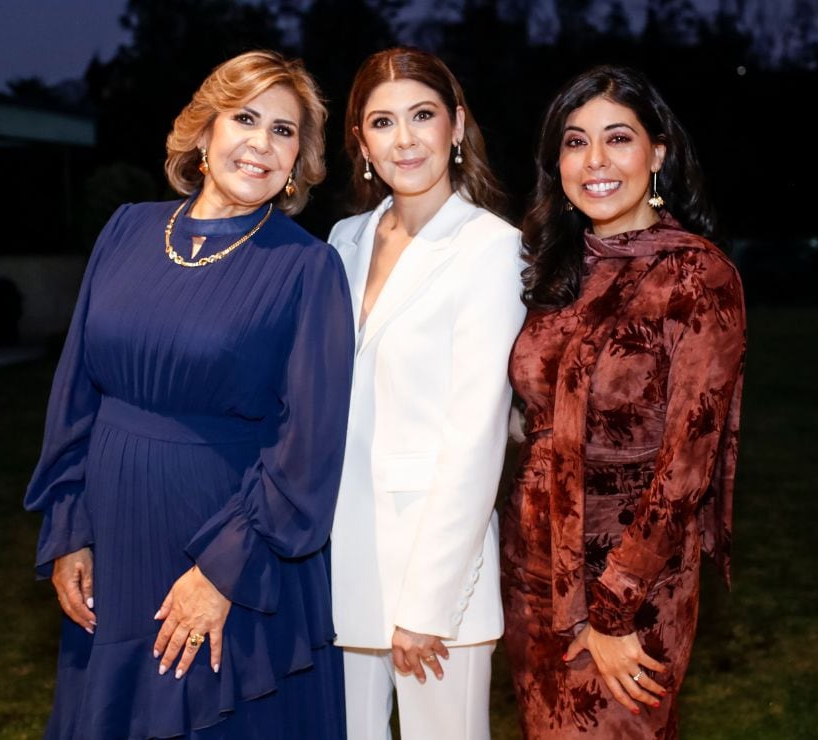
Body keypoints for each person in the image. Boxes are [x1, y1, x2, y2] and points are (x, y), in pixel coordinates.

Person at [23, 50, 354, 740]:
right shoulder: (127, 230)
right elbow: (76, 390)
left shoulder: (307, 267)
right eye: (245, 118)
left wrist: (222, 571)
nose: (262, 143)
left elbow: (308, 450)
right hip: (114, 542)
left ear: (300, 160)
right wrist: (69, 527)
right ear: (204, 132)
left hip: (226, 549)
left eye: (285, 131)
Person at [501, 65, 747, 738]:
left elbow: (686, 466)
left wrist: (611, 609)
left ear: (657, 152)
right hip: (534, 571)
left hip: (633, 578)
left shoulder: (698, 274)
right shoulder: (556, 269)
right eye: (576, 142)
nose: (596, 161)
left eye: (618, 138)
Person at [328, 47, 526, 740]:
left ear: (458, 125)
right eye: (382, 122)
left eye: (422, 116)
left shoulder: (490, 248)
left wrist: (428, 604)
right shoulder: (343, 241)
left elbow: (476, 435)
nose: (404, 139)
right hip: (341, 564)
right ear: (360, 142)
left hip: (436, 571)